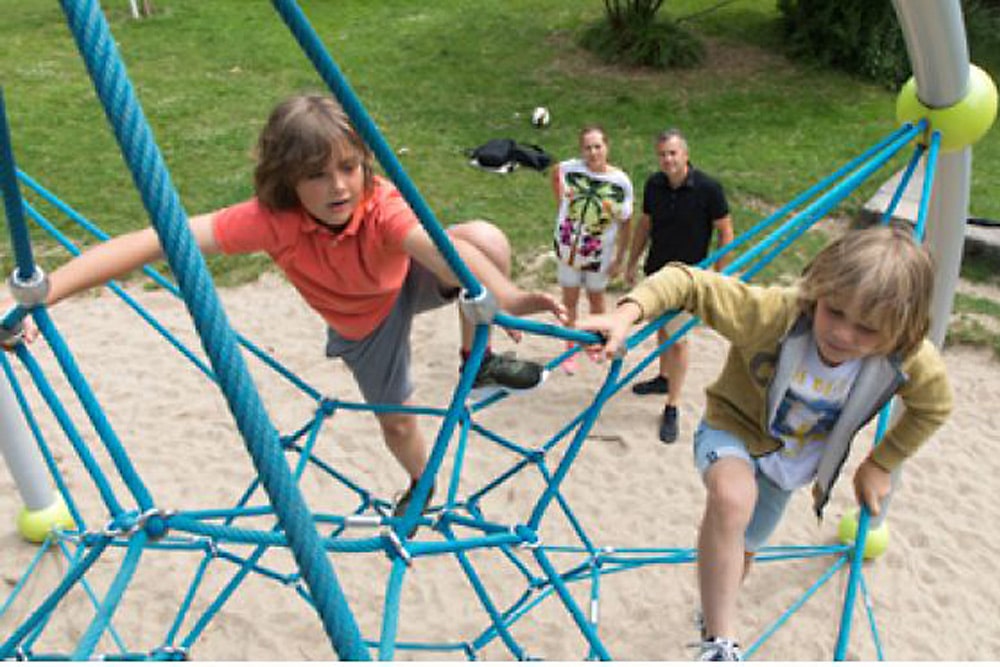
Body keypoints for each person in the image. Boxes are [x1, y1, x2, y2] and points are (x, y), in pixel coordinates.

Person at [11, 94, 564, 522]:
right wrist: (43, 293)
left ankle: (478, 358)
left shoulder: (380, 203)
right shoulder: (270, 220)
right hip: (365, 325)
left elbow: (442, 254)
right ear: (286, 180)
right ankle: (423, 486)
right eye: (317, 175)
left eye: (349, 167)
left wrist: (507, 297)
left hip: (407, 278)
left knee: (485, 239)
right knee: (398, 426)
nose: (339, 186)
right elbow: (156, 240)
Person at [579, 225, 952, 661]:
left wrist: (881, 463)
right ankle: (721, 643)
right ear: (817, 293)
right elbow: (686, 281)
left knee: (745, 549)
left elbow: (934, 406)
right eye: (834, 311)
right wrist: (626, 313)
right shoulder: (777, 314)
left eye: (866, 330)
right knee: (732, 499)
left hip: (789, 467)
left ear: (900, 332)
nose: (843, 335)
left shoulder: (906, 356)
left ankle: (714, 615)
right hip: (733, 430)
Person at [625, 129, 734, 443]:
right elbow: (645, 224)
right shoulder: (654, 184)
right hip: (658, 271)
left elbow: (725, 231)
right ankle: (663, 376)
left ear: (685, 155)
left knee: (680, 339)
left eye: (673, 153)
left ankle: (672, 405)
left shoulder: (708, 188)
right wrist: (632, 262)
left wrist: (719, 273)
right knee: (662, 327)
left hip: (689, 276)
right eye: (662, 154)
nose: (667, 160)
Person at [550, 125, 633, 374]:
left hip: (598, 254)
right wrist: (562, 204)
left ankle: (595, 342)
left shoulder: (619, 182)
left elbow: (627, 221)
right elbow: (555, 173)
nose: (593, 152)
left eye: (597, 146)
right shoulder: (571, 169)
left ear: (606, 147)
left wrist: (621, 256)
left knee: (597, 300)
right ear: (581, 150)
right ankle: (570, 347)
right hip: (569, 250)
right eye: (588, 147)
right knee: (570, 301)